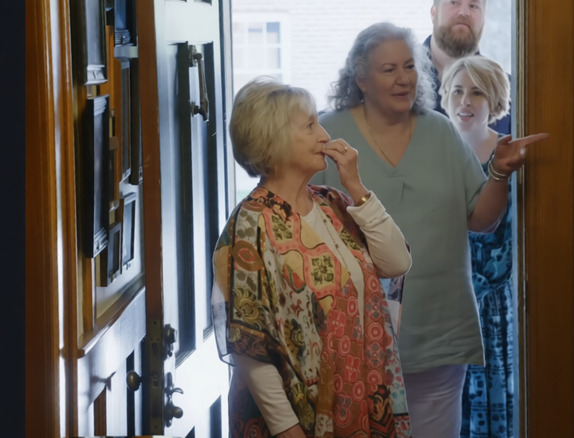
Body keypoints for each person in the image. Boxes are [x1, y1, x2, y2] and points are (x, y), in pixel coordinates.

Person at [311, 22, 548, 437]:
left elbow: (480, 219)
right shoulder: (327, 134)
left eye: (409, 66)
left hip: (440, 330)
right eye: (388, 70)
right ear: (361, 78)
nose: (404, 79)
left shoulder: (440, 130)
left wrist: (499, 173)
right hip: (354, 336)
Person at [211, 77, 414, 438]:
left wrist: (356, 187)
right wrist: (287, 429)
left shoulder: (332, 203)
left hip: (361, 402)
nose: (324, 135)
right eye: (310, 126)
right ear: (272, 140)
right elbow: (248, 345)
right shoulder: (252, 224)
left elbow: (397, 263)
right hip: (296, 421)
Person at [439, 55, 515, 438]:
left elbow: (510, 239)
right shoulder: (434, 152)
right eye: (456, 91)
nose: (464, 101)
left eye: (476, 92)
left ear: (495, 101)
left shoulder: (510, 153)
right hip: (440, 296)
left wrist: (475, 287)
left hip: (494, 301)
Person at [424, 0, 512, 136]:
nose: (464, 13)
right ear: (433, 13)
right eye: (454, 2)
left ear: (484, 20)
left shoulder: (511, 93)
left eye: (473, 6)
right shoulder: (397, 83)